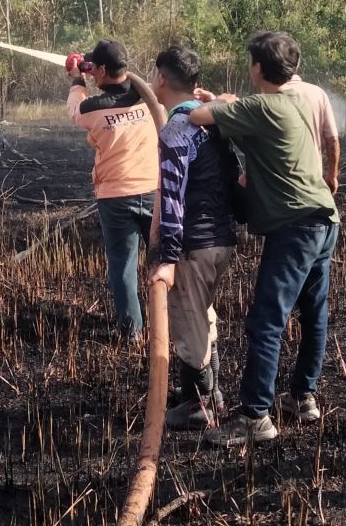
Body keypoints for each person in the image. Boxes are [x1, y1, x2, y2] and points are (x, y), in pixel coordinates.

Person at [189, 31, 340, 446]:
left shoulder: (264, 106)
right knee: (313, 315)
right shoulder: (295, 100)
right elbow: (244, 111)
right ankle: (302, 398)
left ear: (257, 67)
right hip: (325, 220)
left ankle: (256, 417)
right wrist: (224, 100)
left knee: (266, 322)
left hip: (296, 229)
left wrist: (211, 105)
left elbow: (198, 119)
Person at [147, 46, 238, 431]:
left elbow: (171, 199)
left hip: (195, 244)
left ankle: (199, 404)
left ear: (162, 79)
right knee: (204, 314)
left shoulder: (176, 129)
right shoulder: (212, 121)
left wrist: (166, 256)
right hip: (222, 239)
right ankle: (208, 393)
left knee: (189, 321)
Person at [67, 40, 159, 339]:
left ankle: (132, 330)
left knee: (123, 266)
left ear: (103, 70)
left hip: (116, 197)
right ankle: (172, 326)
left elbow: (75, 110)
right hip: (155, 191)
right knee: (165, 261)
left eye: (95, 68)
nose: (93, 73)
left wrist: (76, 79)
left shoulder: (92, 108)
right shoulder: (148, 98)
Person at [284, 73, 341, 194]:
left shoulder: (270, 97)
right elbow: (333, 140)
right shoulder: (318, 93)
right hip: (313, 182)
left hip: (282, 186)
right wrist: (332, 176)